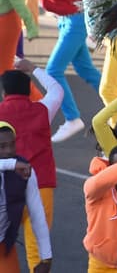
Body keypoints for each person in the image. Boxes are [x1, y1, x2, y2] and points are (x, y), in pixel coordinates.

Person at [50, 0, 112, 142]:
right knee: (87, 70)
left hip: (86, 27)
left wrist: (96, 31)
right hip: (73, 22)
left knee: (52, 70)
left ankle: (72, 118)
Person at [0, 61, 61, 273]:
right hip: (40, 184)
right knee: (37, 247)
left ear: (4, 91)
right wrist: (33, 68)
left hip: (5, 187)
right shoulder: (43, 110)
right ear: (28, 90)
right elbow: (56, 90)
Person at [0, 121, 53, 272]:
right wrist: (10, 165)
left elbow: (37, 213)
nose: (9, 151)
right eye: (2, 146)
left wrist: (46, 256)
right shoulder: (17, 166)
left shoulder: (24, 170)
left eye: (12, 144)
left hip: (3, 245)